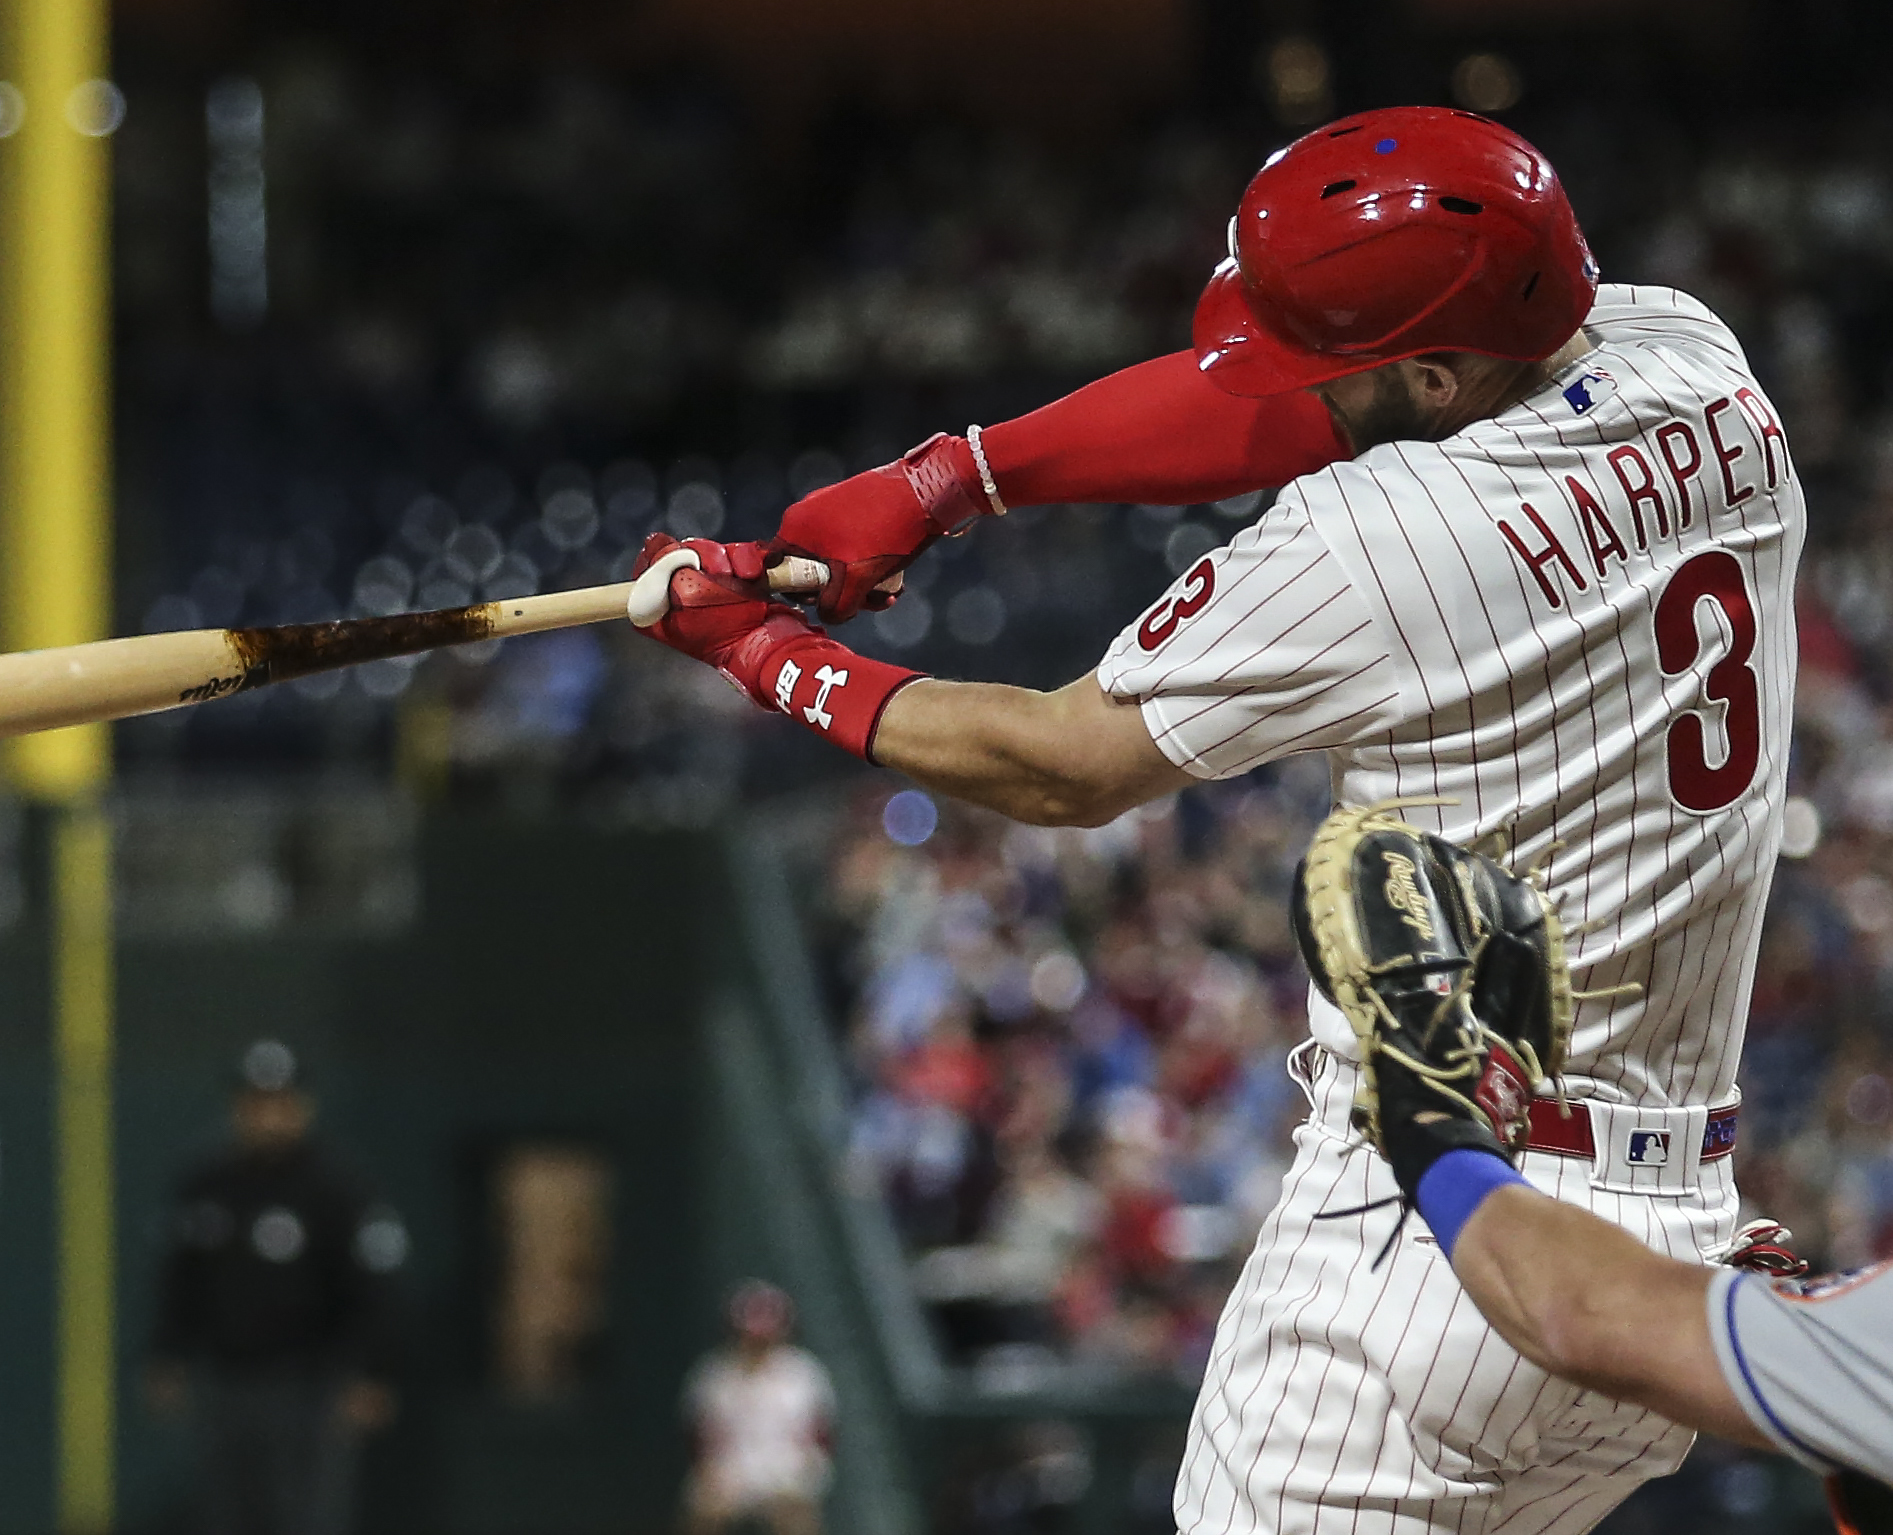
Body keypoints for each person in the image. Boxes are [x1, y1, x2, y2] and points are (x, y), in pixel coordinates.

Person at [636, 104, 1804, 1532]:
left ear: (1437, 371)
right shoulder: (1695, 362)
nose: (1296, 380)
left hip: (1433, 1238)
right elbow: (1310, 403)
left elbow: (1062, 762)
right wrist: (951, 479)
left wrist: (766, 656)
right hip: (1667, 1248)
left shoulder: (1384, 538)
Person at [1288, 803, 1891, 1533]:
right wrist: (1775, 1317)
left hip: (1501, 1264)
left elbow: (1580, 1314)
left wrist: (1434, 1128)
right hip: (1676, 1216)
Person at [146, 1040, 407, 1535]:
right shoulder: (207, 1184)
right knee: (228, 1515)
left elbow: (372, 1290)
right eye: (255, 1102)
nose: (267, 1116)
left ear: (303, 1107)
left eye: (279, 1102)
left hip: (307, 1382)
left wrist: (372, 1370)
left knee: (302, 1516)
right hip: (224, 1379)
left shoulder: (337, 1188)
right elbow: (180, 1278)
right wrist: (169, 1353)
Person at [682, 1280, 837, 1535]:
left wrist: (809, 1471)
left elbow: (821, 1436)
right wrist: (711, 1472)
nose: (758, 1343)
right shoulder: (713, 1374)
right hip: (731, 1471)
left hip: (785, 1471)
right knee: (703, 1513)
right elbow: (698, 1438)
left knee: (798, 1517)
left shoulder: (804, 1373)